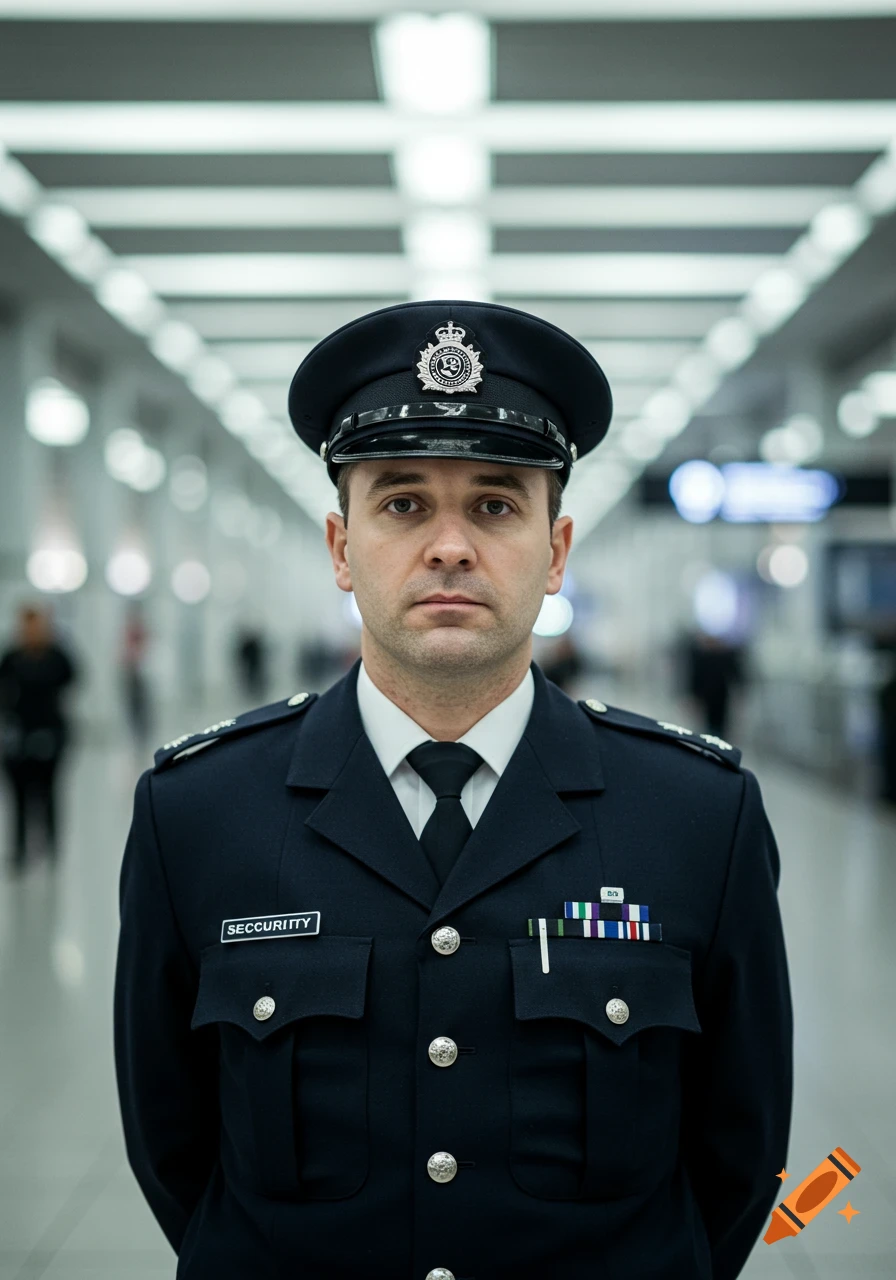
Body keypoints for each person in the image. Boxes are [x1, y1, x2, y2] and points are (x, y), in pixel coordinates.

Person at [114, 301, 793, 1280]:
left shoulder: (694, 814)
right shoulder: (199, 811)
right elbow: (172, 1147)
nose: (447, 546)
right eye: (399, 503)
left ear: (554, 550)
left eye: (493, 503)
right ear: (339, 547)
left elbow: (738, 1156)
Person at [0, 603, 78, 873]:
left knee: (49, 794)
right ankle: (20, 850)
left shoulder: (55, 655)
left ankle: (52, 848)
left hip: (50, 733)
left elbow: (73, 677)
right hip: (19, 735)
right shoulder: (12, 656)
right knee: (19, 798)